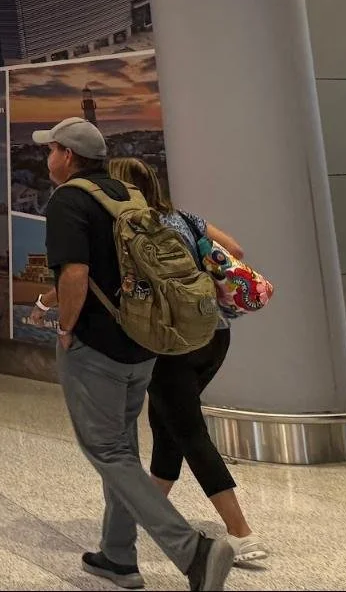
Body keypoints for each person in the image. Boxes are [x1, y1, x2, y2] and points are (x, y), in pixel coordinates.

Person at [33, 118, 232, 592]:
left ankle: (192, 550)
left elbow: (74, 275)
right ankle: (118, 556)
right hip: (143, 342)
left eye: (51, 149)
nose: (47, 157)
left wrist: (65, 328)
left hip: (96, 346)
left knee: (105, 450)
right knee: (122, 448)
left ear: (67, 155)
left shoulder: (68, 201)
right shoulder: (129, 195)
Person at [108, 157, 266, 568]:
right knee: (168, 423)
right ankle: (150, 512)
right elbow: (235, 251)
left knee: (188, 431)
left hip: (169, 341)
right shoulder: (185, 218)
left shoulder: (126, 228)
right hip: (214, 334)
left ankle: (241, 533)